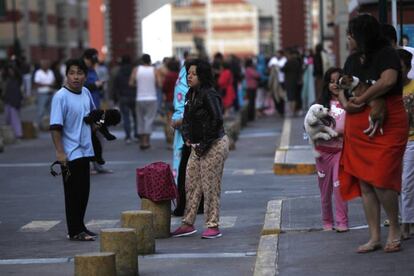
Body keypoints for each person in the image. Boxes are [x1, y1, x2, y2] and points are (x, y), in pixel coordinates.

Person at [338, 14, 408, 253]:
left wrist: (365, 97)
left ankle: (395, 229)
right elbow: (342, 88)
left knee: (381, 178)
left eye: (352, 33)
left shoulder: (387, 53)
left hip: (388, 120)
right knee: (366, 182)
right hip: (357, 123)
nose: (348, 37)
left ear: (363, 35)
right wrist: (344, 102)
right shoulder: (351, 60)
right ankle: (374, 236)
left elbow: (388, 81)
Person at [171, 59, 229, 238]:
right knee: (191, 183)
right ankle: (188, 223)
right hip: (197, 146)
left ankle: (213, 225)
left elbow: (216, 121)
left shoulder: (209, 94)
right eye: (188, 73)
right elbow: (187, 119)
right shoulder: (190, 94)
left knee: (210, 186)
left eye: (193, 74)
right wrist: (188, 138)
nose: (189, 76)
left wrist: (203, 144)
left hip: (214, 144)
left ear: (202, 76)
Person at [49, 58, 97, 241]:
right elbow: (55, 127)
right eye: (72, 73)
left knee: (84, 191)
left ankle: (80, 226)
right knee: (72, 193)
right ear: (66, 75)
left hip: (86, 150)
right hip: (70, 153)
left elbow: (92, 117)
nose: (76, 77)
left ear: (85, 76)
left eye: (79, 73)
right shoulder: (60, 96)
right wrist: (60, 152)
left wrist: (102, 122)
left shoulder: (85, 92)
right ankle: (75, 230)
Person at [315, 67, 348, 232]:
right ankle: (327, 221)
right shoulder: (319, 105)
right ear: (326, 83)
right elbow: (310, 127)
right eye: (331, 81)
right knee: (325, 191)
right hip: (322, 153)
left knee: (339, 186)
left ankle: (342, 222)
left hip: (341, 152)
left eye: (338, 81)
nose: (335, 84)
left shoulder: (349, 102)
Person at [82, 48, 112, 174]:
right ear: (87, 59)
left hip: (95, 107)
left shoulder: (92, 69)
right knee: (87, 137)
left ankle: (98, 163)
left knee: (99, 136)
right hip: (85, 109)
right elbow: (81, 87)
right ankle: (87, 165)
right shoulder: (80, 71)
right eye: (92, 60)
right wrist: (96, 85)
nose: (93, 63)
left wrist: (99, 86)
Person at [398, 48, 414, 239]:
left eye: (400, 68)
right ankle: (405, 220)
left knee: (407, 184)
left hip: (411, 140)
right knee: (397, 185)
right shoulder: (390, 89)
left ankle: (406, 222)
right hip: (395, 142)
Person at [129, 54, 158, 150]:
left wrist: (139, 84)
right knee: (149, 119)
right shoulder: (154, 70)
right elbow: (159, 83)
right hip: (152, 97)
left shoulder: (136, 70)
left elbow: (131, 83)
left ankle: (142, 142)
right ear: (150, 61)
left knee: (140, 119)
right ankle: (147, 142)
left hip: (140, 97)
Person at [113, 55, 138, 144]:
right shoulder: (134, 71)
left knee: (126, 117)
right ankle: (136, 134)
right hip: (134, 96)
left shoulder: (118, 72)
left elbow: (115, 86)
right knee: (135, 117)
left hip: (123, 97)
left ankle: (128, 136)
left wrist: (115, 99)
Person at [2, 65, 23, 138]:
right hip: (7, 100)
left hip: (14, 100)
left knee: (15, 118)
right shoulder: (6, 79)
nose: (10, 72)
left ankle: (18, 133)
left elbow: (18, 92)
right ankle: (10, 134)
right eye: (9, 70)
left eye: (12, 70)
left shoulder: (17, 80)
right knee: (8, 118)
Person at [33, 59, 55, 128]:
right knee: (41, 110)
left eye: (47, 64)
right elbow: (36, 83)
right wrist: (47, 85)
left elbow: (53, 81)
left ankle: (49, 125)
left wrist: (50, 85)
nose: (46, 65)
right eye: (44, 64)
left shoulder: (50, 72)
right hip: (42, 93)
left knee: (50, 110)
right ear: (41, 65)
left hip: (50, 92)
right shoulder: (38, 72)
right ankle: (38, 125)